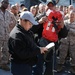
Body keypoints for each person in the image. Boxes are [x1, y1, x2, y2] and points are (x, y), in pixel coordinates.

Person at [8, 11, 48, 75]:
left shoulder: (25, 31)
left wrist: (39, 48)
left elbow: (30, 44)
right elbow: (23, 54)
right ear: (23, 21)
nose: (31, 26)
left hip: (26, 65)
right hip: (20, 67)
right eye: (30, 24)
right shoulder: (16, 35)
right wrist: (38, 50)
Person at [0, 0, 16, 71]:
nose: (7, 5)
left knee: (6, 50)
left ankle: (3, 64)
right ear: (1, 3)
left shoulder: (9, 14)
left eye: (8, 3)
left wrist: (9, 27)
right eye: (5, 3)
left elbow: (15, 22)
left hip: (6, 35)